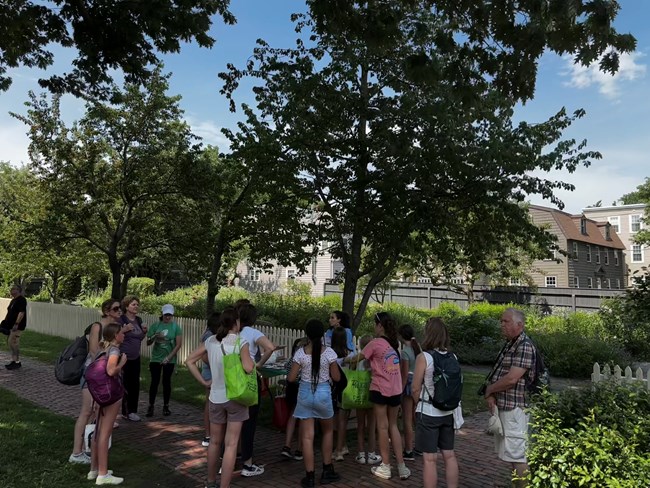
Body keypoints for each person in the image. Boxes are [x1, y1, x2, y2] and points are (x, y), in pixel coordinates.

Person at [186, 307, 254, 488]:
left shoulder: (210, 341)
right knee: (231, 444)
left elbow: (189, 360)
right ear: (236, 322)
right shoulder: (241, 342)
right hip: (236, 397)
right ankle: (224, 485)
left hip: (215, 397)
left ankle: (210, 482)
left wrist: (204, 381)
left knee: (214, 442)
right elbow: (248, 367)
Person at [351, 312, 410, 480]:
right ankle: (402, 466)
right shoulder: (394, 343)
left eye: (374, 324)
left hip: (380, 389)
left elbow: (358, 358)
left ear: (380, 326)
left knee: (382, 427)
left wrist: (343, 361)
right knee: (393, 426)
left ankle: (385, 466)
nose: (373, 327)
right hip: (396, 389)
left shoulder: (375, 343)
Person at [484, 308, 535, 488]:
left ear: (519, 325)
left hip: (516, 409)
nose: (502, 324)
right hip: (507, 407)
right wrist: (492, 395)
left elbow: (512, 378)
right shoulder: (512, 343)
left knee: (518, 456)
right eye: (501, 321)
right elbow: (501, 372)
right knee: (512, 456)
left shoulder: (524, 346)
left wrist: (490, 389)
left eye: (506, 321)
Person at [288, 319, 341, 487]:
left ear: (307, 334)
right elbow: (337, 378)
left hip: (305, 393)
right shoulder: (329, 353)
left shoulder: (300, 353)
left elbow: (290, 378)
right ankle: (327, 469)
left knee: (307, 437)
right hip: (323, 393)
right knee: (327, 432)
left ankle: (309, 476)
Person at [69, 299, 122, 464]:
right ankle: (76, 453)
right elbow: (93, 353)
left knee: (94, 412)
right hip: (92, 374)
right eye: (116, 308)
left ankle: (87, 448)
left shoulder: (115, 329)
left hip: (103, 375)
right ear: (107, 311)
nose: (120, 311)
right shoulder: (97, 326)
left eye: (120, 308)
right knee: (87, 411)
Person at [411, 317, 459, 488]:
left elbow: (415, 388)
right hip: (447, 412)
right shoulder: (453, 356)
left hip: (429, 412)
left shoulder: (424, 357)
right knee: (449, 455)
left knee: (429, 459)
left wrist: (416, 405)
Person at [237, 302, 276, 477]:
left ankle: (228, 458)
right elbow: (270, 347)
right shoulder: (253, 333)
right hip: (249, 380)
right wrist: (258, 364)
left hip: (231, 380)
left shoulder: (231, 333)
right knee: (249, 422)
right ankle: (248, 463)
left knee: (232, 422)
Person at [88, 322, 127, 485]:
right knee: (105, 433)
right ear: (115, 335)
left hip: (99, 394)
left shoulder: (101, 349)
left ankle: (94, 469)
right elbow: (111, 371)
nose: (123, 335)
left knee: (97, 432)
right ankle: (103, 475)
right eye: (121, 332)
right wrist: (122, 363)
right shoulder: (115, 350)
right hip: (111, 395)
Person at [145, 304, 183, 417]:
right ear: (162, 314)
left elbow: (178, 344)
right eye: (166, 315)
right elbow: (148, 342)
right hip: (156, 358)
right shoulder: (155, 325)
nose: (168, 317)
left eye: (170, 315)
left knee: (166, 382)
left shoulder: (176, 327)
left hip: (169, 359)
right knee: (154, 382)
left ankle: (166, 406)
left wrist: (169, 358)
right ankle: (150, 405)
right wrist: (154, 337)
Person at [353, 334, 381, 466]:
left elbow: (351, 370)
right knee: (372, 425)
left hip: (359, 393)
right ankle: (371, 454)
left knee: (360, 425)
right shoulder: (374, 359)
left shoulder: (357, 358)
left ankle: (360, 454)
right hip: (372, 392)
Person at [119, 295, 147, 421]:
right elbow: (114, 335)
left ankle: (133, 411)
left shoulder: (139, 320)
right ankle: (125, 411)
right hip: (124, 356)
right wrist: (124, 329)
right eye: (133, 304)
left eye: (137, 304)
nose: (136, 307)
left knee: (135, 384)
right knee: (124, 384)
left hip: (136, 357)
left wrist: (145, 332)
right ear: (126, 306)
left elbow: (139, 338)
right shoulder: (121, 319)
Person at [280, 337, 306, 461]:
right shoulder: (305, 356)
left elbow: (287, 366)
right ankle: (299, 449)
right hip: (301, 387)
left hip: (291, 388)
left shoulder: (293, 357)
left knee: (292, 415)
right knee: (302, 418)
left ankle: (286, 445)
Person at [398, 323, 421, 460]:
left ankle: (408, 449)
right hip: (418, 383)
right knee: (415, 417)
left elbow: (405, 374)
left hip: (408, 385)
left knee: (406, 419)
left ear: (401, 335)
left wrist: (400, 389)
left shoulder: (405, 351)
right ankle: (420, 446)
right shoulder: (417, 348)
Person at [331, 326, 352, 461]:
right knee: (344, 420)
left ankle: (338, 450)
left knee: (338, 421)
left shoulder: (331, 354)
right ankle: (343, 445)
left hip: (337, 391)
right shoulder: (349, 354)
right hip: (349, 390)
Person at [2, 285, 27, 370]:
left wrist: (16, 324)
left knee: (13, 343)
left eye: (13, 289)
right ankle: (14, 361)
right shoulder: (13, 300)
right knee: (11, 343)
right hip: (11, 326)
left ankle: (17, 362)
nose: (11, 291)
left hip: (17, 327)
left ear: (18, 290)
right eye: (11, 289)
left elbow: (21, 313)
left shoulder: (21, 300)